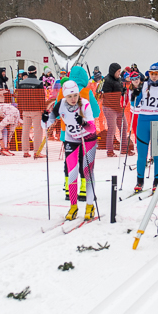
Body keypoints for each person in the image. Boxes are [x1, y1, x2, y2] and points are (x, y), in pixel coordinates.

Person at [44, 79, 99, 221]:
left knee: (87, 172)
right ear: (64, 96)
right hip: (71, 138)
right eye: (69, 96)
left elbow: (92, 128)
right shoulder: (61, 104)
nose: (73, 99)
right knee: (72, 172)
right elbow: (47, 122)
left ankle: (89, 205)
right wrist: (45, 119)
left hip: (88, 138)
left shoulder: (84, 104)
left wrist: (83, 122)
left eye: (75, 95)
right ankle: (73, 206)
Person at [130, 62, 158, 193]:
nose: (153, 76)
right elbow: (135, 104)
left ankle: (157, 181)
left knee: (157, 154)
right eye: (151, 74)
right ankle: (140, 181)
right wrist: (134, 95)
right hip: (143, 121)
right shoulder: (144, 86)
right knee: (142, 155)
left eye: (156, 74)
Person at [100, 62, 131, 156]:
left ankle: (124, 148)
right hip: (110, 107)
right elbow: (107, 96)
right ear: (113, 71)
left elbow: (119, 89)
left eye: (120, 71)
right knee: (112, 128)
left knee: (124, 126)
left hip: (118, 107)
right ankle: (110, 151)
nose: (119, 73)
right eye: (118, 71)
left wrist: (123, 91)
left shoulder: (118, 79)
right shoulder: (107, 80)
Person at [15, 65, 46, 157]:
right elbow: (41, 97)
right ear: (35, 72)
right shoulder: (39, 83)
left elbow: (19, 97)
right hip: (36, 110)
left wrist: (20, 109)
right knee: (37, 131)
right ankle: (37, 151)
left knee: (25, 130)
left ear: (28, 72)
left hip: (25, 109)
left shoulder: (21, 83)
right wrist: (43, 110)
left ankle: (25, 151)